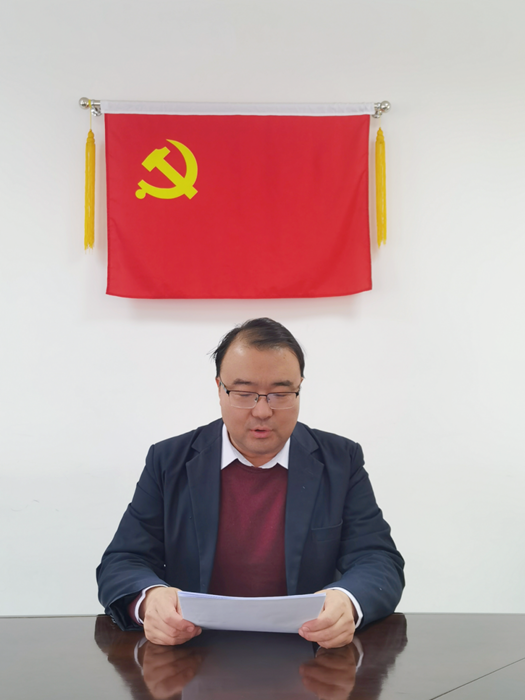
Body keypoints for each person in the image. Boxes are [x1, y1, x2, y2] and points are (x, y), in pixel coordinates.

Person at [97, 318, 404, 648]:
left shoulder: (340, 460)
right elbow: (123, 560)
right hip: (191, 649)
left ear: (300, 388)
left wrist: (348, 601)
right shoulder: (169, 461)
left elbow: (377, 558)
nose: (262, 411)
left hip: (309, 649)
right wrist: (150, 601)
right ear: (219, 388)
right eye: (244, 393)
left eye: (280, 394)